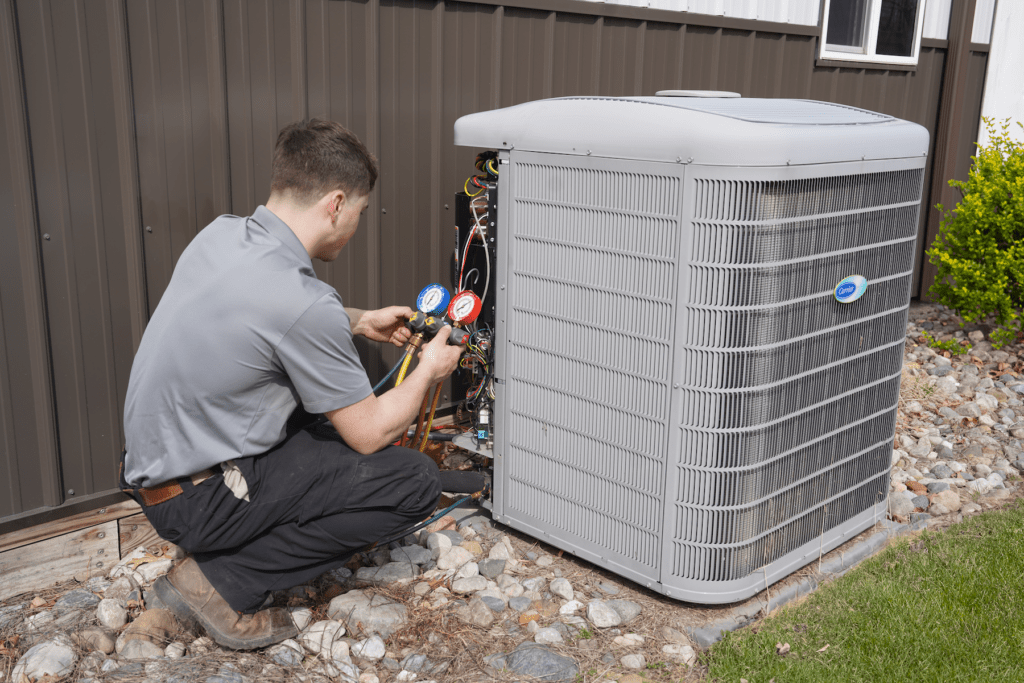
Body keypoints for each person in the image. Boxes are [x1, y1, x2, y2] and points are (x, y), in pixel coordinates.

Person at [119, 119, 463, 650]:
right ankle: (223, 581)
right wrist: (429, 371)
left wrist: (358, 319)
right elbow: (370, 433)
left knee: (319, 419)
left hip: (158, 476)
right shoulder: (303, 302)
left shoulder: (222, 235)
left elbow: (259, 322)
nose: (356, 226)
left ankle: (226, 545)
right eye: (360, 213)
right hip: (199, 501)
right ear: (336, 203)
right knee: (412, 479)